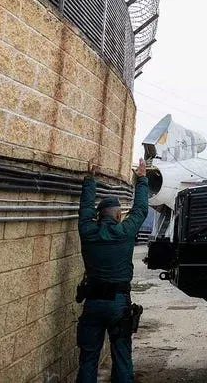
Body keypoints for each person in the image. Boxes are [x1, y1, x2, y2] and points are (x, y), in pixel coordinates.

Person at [76, 157, 149, 383]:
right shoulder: (124, 231)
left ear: (99, 216)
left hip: (93, 303)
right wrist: (142, 178)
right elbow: (141, 210)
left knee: (88, 358)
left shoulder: (87, 231)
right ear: (118, 215)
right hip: (118, 304)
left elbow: (85, 208)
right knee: (121, 357)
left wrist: (90, 179)